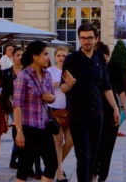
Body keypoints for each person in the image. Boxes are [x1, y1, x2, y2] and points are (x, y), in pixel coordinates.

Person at [61, 24, 120, 182]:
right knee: (84, 157)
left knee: (93, 156)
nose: (86, 42)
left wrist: (115, 108)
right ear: (79, 38)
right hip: (78, 115)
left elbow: (106, 86)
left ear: (96, 39)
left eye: (90, 38)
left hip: (97, 114)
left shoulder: (100, 57)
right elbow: (63, 87)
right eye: (83, 38)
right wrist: (70, 85)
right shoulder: (71, 59)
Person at [12, 40, 58, 182]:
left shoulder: (47, 75)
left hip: (44, 127)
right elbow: (17, 105)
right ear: (35, 56)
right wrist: (19, 132)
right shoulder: (23, 76)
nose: (48, 57)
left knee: (52, 163)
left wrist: (51, 98)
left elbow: (52, 97)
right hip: (26, 127)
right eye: (45, 54)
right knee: (24, 169)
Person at [95, 42, 126, 182]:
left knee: (107, 147)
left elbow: (120, 89)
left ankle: (101, 175)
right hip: (96, 109)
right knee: (98, 146)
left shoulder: (114, 68)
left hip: (109, 110)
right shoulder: (93, 67)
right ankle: (95, 174)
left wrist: (124, 108)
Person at [47, 46, 72, 182]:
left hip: (69, 110)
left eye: (64, 56)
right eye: (59, 56)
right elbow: (43, 87)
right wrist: (51, 84)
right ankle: (59, 172)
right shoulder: (50, 71)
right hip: (55, 110)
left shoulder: (70, 71)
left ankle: (55, 166)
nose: (61, 58)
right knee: (57, 143)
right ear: (55, 57)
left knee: (70, 142)